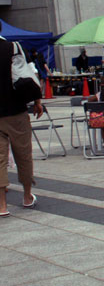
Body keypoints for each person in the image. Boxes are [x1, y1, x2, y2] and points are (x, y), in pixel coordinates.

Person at [0, 28, 42, 216]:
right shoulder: (13, 47)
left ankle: (2, 206)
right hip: (16, 110)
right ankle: (26, 196)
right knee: (23, 154)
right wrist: (38, 101)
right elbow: (26, 76)